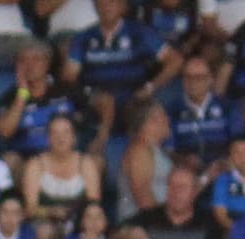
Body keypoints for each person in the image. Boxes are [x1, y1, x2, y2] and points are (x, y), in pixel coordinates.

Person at [61, 0, 177, 138]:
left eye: (111, 3)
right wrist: (90, 96)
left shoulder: (139, 32)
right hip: (97, 100)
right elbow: (69, 76)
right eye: (101, 4)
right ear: (95, 7)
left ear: (122, 6)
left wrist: (150, 87)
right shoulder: (84, 37)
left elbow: (175, 60)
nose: (106, 7)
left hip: (133, 100)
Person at [165, 53, 238, 175]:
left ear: (210, 79)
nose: (193, 82)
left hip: (224, 172)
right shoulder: (171, 111)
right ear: (183, 81)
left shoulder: (228, 107)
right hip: (187, 173)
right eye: (188, 77)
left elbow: (239, 144)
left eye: (199, 77)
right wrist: (183, 160)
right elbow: (168, 150)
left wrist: (223, 163)